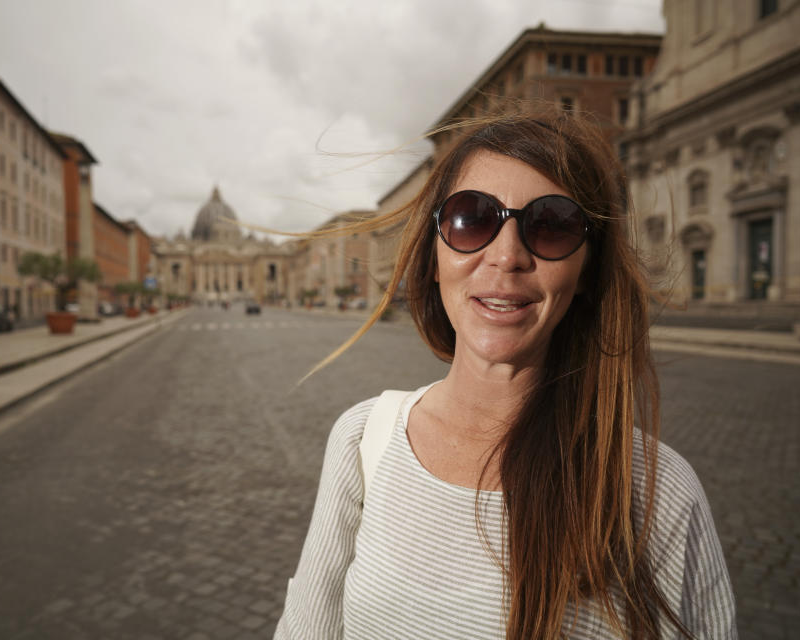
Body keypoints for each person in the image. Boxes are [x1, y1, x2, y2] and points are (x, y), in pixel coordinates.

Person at [275, 106, 737, 639]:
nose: (507, 255)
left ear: (587, 268)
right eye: (472, 218)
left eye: (552, 226)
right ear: (433, 256)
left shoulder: (661, 494)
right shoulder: (361, 440)